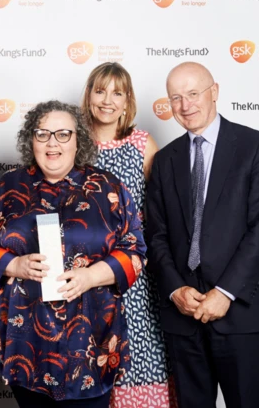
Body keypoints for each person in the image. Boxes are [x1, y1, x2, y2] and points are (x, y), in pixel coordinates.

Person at [0, 100, 146, 408]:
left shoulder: (108, 187)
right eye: (43, 134)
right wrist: (15, 264)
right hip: (27, 345)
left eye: (63, 134)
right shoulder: (6, 188)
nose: (53, 143)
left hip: (94, 342)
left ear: (79, 139)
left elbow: (135, 248)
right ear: (30, 140)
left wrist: (91, 276)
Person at [146, 62, 259, 408]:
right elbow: (156, 235)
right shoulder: (164, 161)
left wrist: (225, 293)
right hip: (183, 316)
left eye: (193, 94)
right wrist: (176, 289)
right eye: (175, 97)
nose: (185, 105)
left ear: (214, 92)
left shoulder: (256, 146)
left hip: (240, 313)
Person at [81, 62, 175, 406]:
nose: (107, 100)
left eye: (117, 93)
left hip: (135, 278)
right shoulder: (72, 144)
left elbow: (164, 212)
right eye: (100, 90)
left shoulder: (141, 144)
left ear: (127, 100)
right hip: (84, 278)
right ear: (88, 94)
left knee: (140, 352)